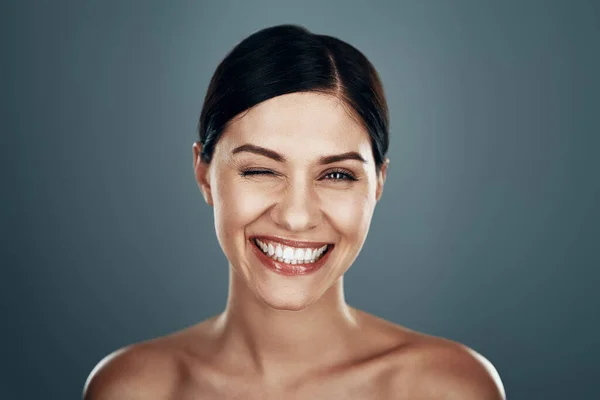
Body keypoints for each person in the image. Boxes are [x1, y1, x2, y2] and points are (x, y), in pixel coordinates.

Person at [83, 24, 505, 399]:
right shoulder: (134, 388)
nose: (296, 216)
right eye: (262, 169)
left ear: (378, 182)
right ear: (204, 173)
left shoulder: (447, 389)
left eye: (337, 175)